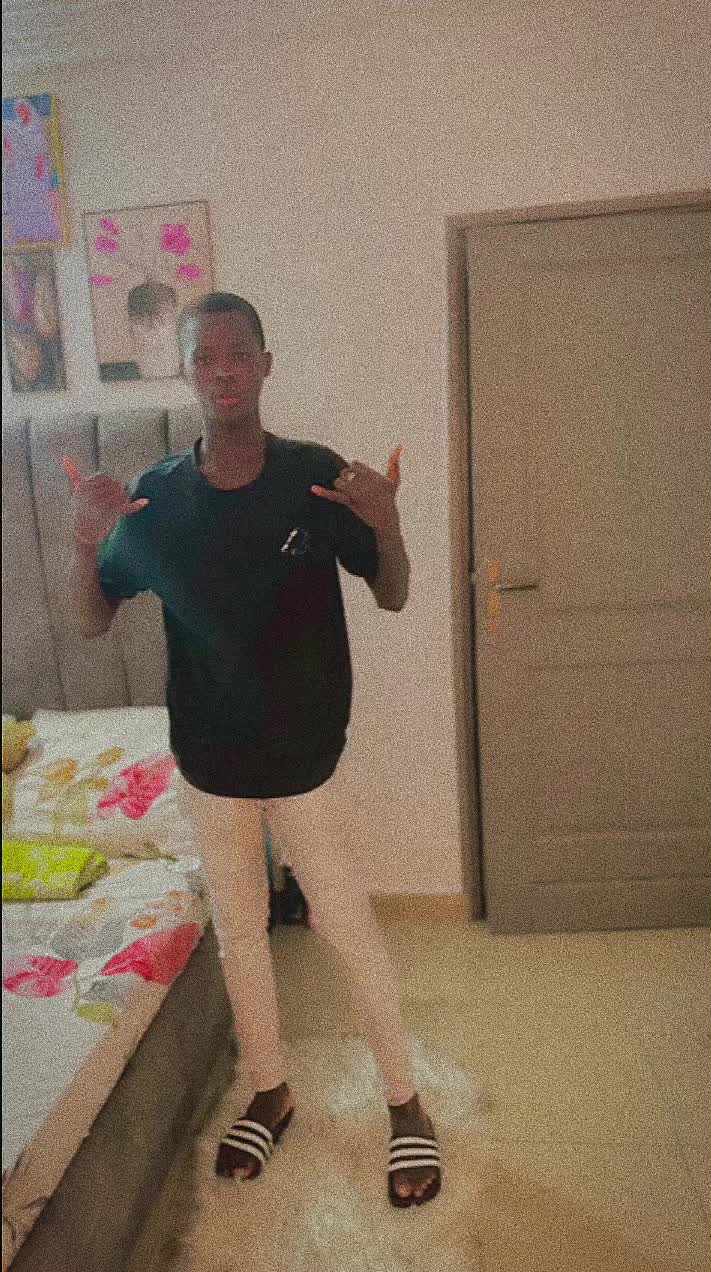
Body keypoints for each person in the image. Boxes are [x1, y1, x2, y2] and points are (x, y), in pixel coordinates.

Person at [64, 292, 442, 1208]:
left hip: (305, 763)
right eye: (205, 356)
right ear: (187, 371)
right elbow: (90, 619)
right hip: (210, 765)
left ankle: (406, 1102)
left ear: (266, 364)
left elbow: (392, 594)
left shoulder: (315, 477)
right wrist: (84, 544)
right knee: (238, 933)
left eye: (239, 353)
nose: (223, 371)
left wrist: (388, 526)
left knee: (344, 923)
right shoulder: (156, 499)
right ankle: (271, 1092)